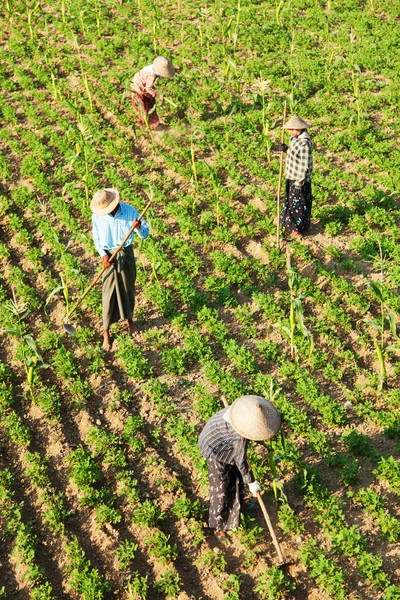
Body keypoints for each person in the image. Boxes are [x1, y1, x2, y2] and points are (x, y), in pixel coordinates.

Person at [198, 395, 281, 540]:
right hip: (214, 449)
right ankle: (218, 526)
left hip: (225, 444)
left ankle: (239, 504)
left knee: (236, 478)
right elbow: (241, 461)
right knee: (221, 488)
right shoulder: (239, 436)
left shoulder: (241, 413)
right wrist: (252, 482)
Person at [91, 188, 149, 350]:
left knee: (127, 288)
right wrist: (103, 255)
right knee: (108, 293)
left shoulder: (130, 212)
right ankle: (106, 332)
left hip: (126, 254)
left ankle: (129, 320)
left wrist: (137, 227)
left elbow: (145, 234)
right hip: (108, 257)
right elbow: (96, 238)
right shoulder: (97, 217)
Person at [279, 115, 314, 239]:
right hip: (292, 177)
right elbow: (295, 155)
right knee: (291, 202)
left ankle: (297, 230)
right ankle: (292, 225)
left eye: (291, 129)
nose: (289, 131)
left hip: (299, 180)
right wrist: (286, 149)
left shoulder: (304, 143)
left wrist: (299, 182)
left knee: (297, 204)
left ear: (297, 129)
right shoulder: (296, 139)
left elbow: (305, 166)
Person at [130, 56, 175, 129]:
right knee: (144, 110)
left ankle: (151, 123)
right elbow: (148, 88)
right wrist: (158, 94)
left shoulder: (151, 67)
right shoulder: (152, 75)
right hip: (139, 92)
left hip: (140, 88)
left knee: (149, 105)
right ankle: (149, 125)